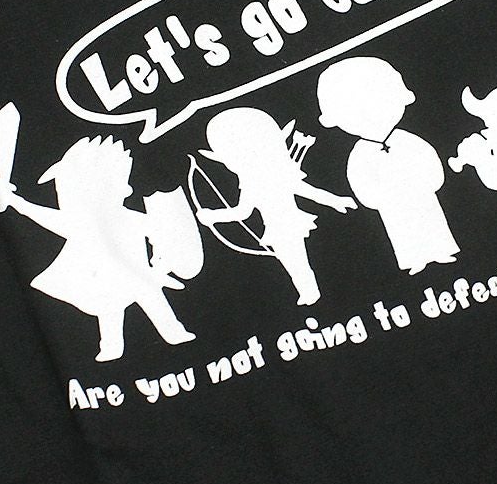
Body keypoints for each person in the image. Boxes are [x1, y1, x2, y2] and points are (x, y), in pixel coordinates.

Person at [0, 134, 196, 362]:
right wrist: (14, 201)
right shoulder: (81, 221)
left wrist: (163, 258)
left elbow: (160, 231)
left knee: (148, 297)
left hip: (138, 275)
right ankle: (112, 346)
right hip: (102, 279)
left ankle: (172, 331)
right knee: (109, 308)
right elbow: (46, 217)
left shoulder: (126, 217)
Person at [195, 107, 356, 305]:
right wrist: (213, 216)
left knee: (295, 260)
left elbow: (305, 191)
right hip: (281, 226)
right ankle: (309, 292)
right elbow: (244, 211)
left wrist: (212, 216)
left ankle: (310, 292)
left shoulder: (271, 177)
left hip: (285, 225)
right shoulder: (254, 182)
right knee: (294, 261)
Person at [317, 56, 460, 275]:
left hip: (420, 192)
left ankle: (441, 250)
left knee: (432, 220)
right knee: (401, 230)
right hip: (392, 204)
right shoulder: (361, 153)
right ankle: (415, 259)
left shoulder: (405, 139)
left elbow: (428, 158)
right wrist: (376, 198)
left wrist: (431, 180)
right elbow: (359, 180)